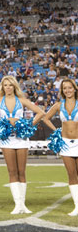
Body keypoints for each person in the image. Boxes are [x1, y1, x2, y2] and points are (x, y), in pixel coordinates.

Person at [0, 76, 45, 214]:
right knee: (12, 171)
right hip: (7, 140)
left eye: (10, 85)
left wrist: (28, 126)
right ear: (2, 87)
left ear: (14, 86)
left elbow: (40, 113)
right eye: (5, 85)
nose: (8, 88)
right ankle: (17, 204)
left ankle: (23, 204)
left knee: (21, 171)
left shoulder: (22, 100)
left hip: (21, 138)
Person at [42, 77, 78, 216]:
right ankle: (77, 206)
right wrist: (57, 130)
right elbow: (45, 118)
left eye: (70, 87)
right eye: (65, 88)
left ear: (74, 89)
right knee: (71, 175)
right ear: (62, 91)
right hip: (65, 144)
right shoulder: (58, 105)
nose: (67, 90)